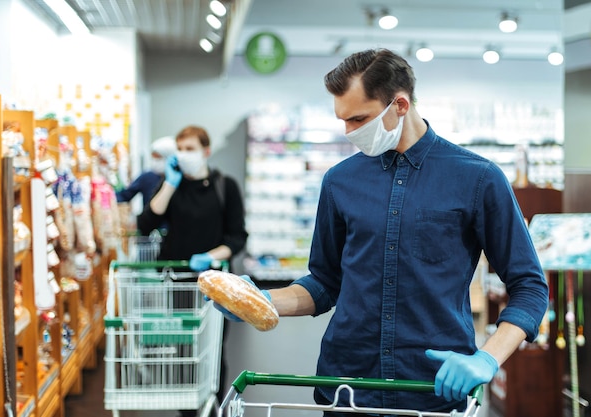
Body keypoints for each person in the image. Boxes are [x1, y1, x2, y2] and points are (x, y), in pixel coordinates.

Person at [212, 49, 549, 414]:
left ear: (400, 104)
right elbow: (326, 282)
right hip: (347, 388)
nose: (349, 132)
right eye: (343, 120)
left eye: (359, 119)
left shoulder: (478, 178)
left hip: (432, 390)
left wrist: (487, 358)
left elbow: (529, 286)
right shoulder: (339, 181)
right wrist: (262, 301)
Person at [136, 125, 248, 409]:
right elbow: (145, 224)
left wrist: (210, 256)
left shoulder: (226, 186)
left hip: (216, 282)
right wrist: (170, 184)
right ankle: (186, 408)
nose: (185, 155)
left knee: (214, 347)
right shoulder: (171, 185)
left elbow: (237, 237)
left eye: (191, 149)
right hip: (179, 280)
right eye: (180, 150)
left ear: (206, 152)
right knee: (184, 347)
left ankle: (214, 404)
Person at [116, 136, 176, 207]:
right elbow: (125, 195)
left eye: (158, 157)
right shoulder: (147, 177)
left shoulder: (178, 180)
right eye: (153, 157)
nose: (155, 161)